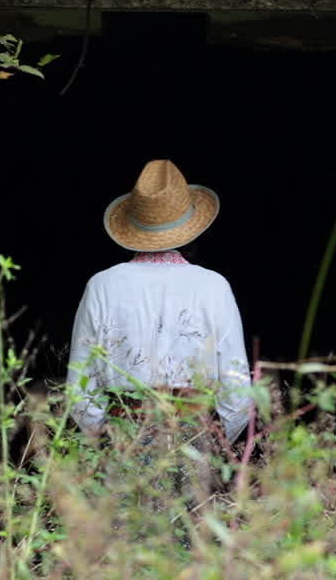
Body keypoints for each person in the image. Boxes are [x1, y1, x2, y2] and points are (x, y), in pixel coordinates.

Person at [65, 159, 254, 444]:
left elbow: (80, 392)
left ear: (133, 226)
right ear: (192, 229)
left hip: (121, 444)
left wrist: (104, 446)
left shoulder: (102, 286)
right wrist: (210, 446)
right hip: (196, 443)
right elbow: (238, 395)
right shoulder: (214, 286)